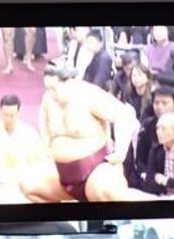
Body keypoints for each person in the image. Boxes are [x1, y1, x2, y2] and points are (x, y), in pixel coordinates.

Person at [18, 67, 142, 202]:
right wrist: (49, 150)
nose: (51, 93)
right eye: (48, 89)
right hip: (62, 174)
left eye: (54, 89)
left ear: (69, 82)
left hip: (96, 170)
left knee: (104, 191)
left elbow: (124, 114)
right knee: (29, 184)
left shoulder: (88, 94)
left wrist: (120, 152)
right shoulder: (48, 99)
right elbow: (45, 129)